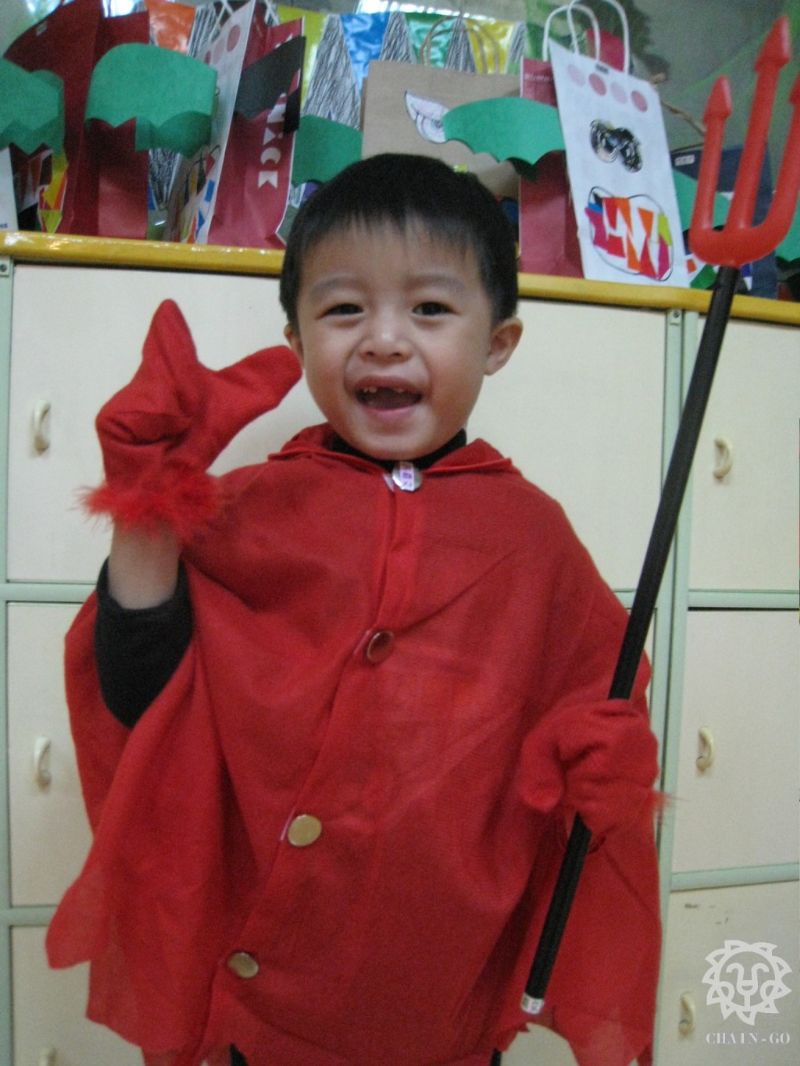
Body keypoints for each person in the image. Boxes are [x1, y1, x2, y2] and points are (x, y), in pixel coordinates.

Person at [46, 154, 661, 1066]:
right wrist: (148, 503)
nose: (383, 340)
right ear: (296, 340)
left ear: (498, 342)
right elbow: (141, 703)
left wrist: (609, 768)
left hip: (443, 1002)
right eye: (342, 310)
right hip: (257, 1007)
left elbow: (596, 723)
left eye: (431, 308)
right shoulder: (247, 512)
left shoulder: (534, 541)